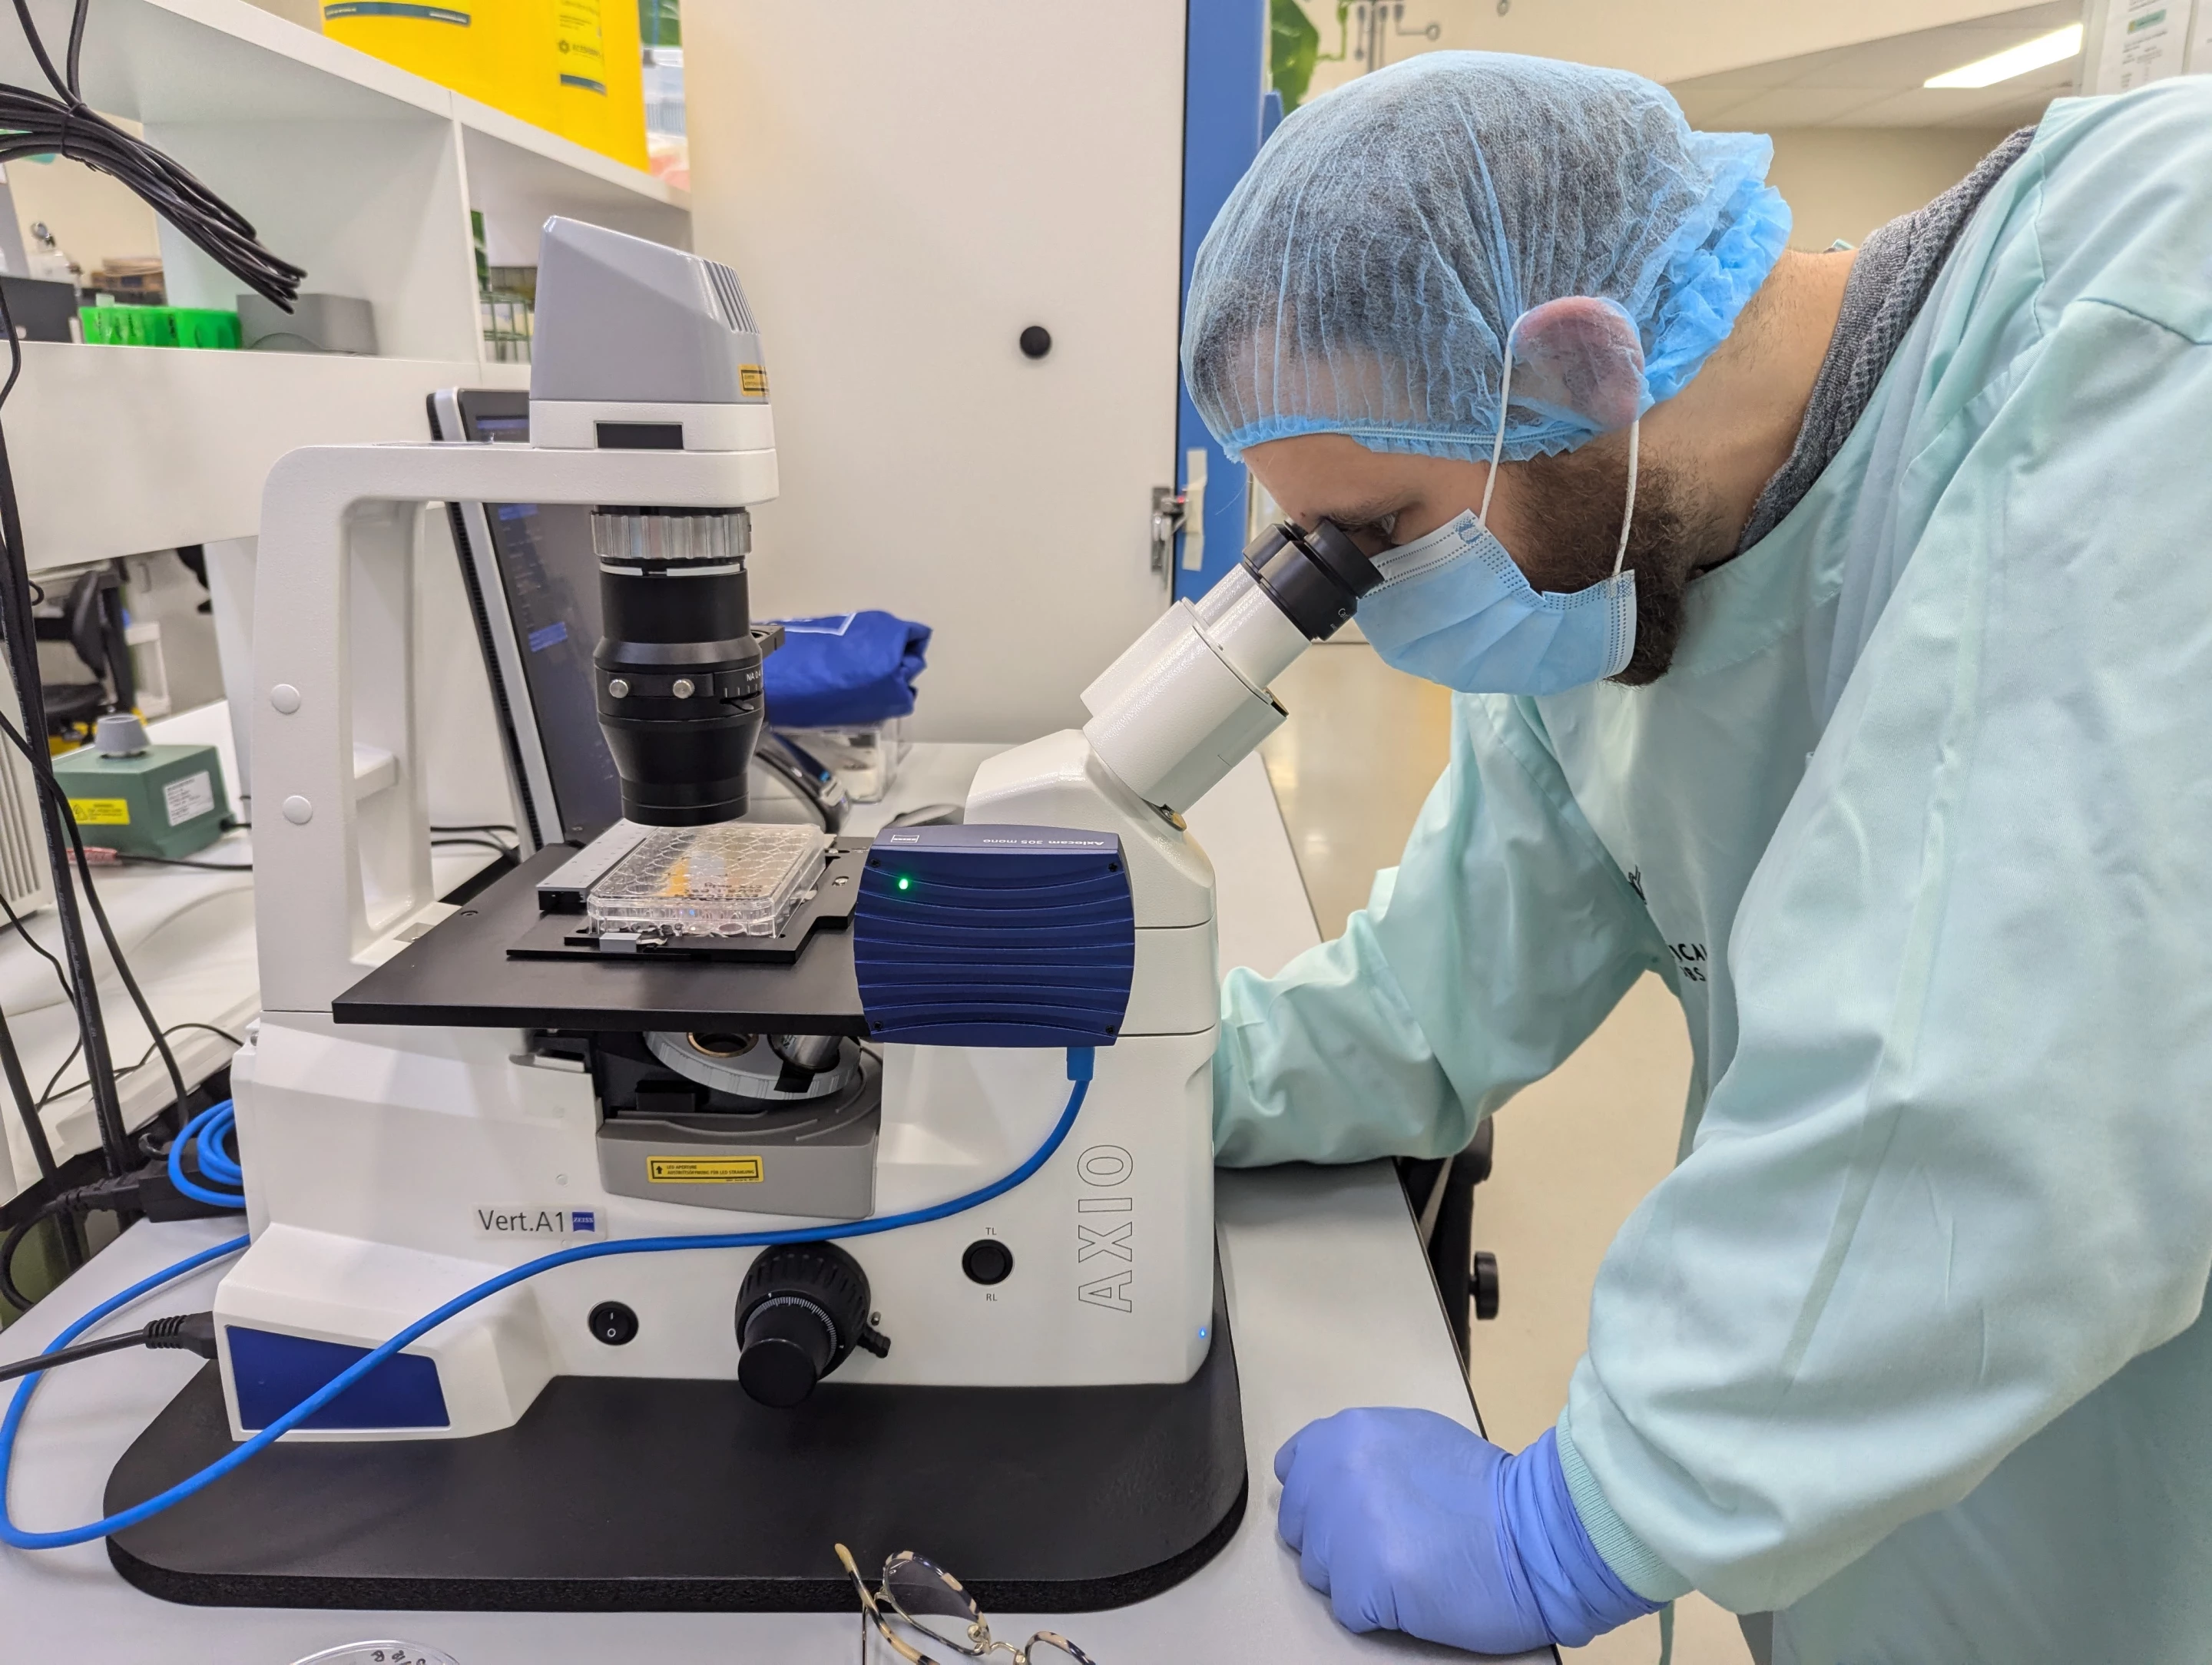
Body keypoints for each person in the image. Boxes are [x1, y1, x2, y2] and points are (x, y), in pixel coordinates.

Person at [1184, 50, 2212, 1665]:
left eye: (1381, 533)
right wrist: (1142, 1071)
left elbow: (2002, 1075)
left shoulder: (2151, 310)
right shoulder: (1604, 573)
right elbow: (1426, 1002)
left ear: (1581, 367)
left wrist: (1576, 1523)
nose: (1372, 602)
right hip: (1864, 1532)